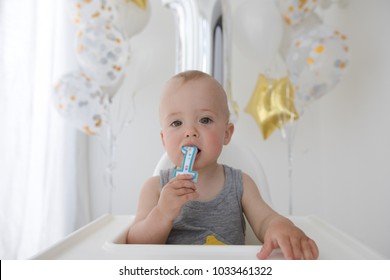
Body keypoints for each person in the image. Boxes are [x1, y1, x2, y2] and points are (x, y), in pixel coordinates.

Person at [126, 70, 319, 260]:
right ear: (163, 139)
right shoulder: (154, 189)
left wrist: (281, 228)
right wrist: (161, 213)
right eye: (177, 123)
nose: (190, 131)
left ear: (226, 133)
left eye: (205, 120)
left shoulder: (240, 184)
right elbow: (134, 243)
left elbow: (265, 221)